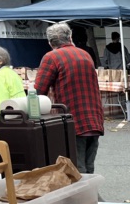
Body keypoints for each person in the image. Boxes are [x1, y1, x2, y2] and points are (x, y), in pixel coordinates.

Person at [33, 22, 105, 173]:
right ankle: (91, 195)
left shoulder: (52, 57)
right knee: (88, 166)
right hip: (94, 119)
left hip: (73, 120)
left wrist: (30, 111)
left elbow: (38, 91)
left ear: (50, 42)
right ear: (70, 38)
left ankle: (86, 196)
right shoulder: (84, 54)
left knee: (77, 168)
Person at [0, 46, 25, 135]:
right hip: (18, 118)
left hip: (6, 123)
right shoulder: (12, 73)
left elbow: (1, 104)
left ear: (0, 61)